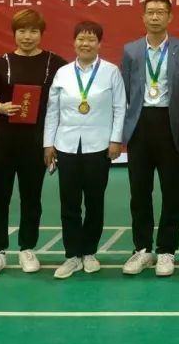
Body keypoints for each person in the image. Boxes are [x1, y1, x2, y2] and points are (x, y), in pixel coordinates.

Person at [0, 10, 67, 278]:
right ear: (14, 33)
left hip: (36, 141)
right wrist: (1, 107)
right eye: (22, 31)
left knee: (31, 197)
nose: (28, 36)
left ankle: (27, 248)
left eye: (33, 31)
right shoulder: (1, 63)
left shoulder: (55, 64)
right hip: (1, 139)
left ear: (41, 33)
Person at [119, 0, 179, 277]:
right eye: (150, 12)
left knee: (171, 191)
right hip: (140, 125)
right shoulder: (131, 51)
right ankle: (142, 249)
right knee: (139, 191)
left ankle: (167, 250)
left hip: (170, 124)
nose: (155, 17)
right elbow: (125, 91)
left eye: (160, 12)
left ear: (170, 17)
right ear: (143, 17)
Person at [43, 21, 126, 280]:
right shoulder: (63, 73)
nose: (85, 44)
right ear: (74, 42)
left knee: (94, 201)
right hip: (66, 145)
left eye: (91, 39)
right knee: (69, 203)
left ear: (99, 44)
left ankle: (89, 252)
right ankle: (72, 255)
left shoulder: (111, 72)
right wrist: (48, 143)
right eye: (81, 39)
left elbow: (120, 107)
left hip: (98, 146)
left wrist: (115, 140)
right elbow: (52, 110)